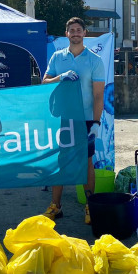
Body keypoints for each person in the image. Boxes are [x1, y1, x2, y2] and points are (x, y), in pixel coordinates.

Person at [42, 17, 105, 224]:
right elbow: (44, 82)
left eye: (79, 30)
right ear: (66, 34)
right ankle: (55, 206)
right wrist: (60, 77)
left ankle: (90, 206)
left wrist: (96, 122)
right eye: (72, 30)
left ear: (84, 33)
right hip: (64, 117)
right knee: (61, 161)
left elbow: (98, 96)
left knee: (87, 162)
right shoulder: (57, 57)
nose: (75, 33)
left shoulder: (95, 60)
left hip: (86, 119)